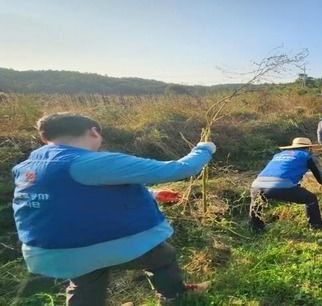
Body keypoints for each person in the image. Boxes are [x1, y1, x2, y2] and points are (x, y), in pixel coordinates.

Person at [11, 113, 215, 305]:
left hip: (50, 251)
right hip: (96, 246)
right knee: (162, 256)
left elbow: (71, 196)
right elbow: (178, 169)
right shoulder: (89, 161)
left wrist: (152, 194)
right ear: (93, 131)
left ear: (46, 138)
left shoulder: (27, 167)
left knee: (85, 279)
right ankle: (175, 296)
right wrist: (204, 149)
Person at [249, 137, 322, 233]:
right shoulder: (307, 155)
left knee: (257, 203)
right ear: (309, 148)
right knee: (310, 199)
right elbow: (316, 170)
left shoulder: (278, 155)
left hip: (257, 184)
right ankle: (316, 224)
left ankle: (256, 227)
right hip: (280, 185)